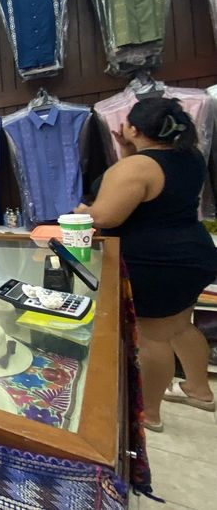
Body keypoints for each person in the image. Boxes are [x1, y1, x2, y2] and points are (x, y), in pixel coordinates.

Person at [75, 98, 217, 431]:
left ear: (133, 128)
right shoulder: (189, 157)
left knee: (153, 338)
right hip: (193, 253)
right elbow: (149, 190)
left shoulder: (137, 167)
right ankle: (199, 390)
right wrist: (127, 150)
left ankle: (148, 414)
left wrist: (83, 214)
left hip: (156, 264)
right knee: (180, 327)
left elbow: (108, 215)